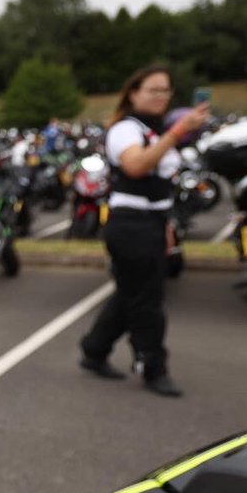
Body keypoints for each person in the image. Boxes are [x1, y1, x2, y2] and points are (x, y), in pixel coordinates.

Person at [78, 65, 209, 398]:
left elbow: (160, 186)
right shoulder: (126, 129)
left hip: (151, 221)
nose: (161, 96)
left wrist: (165, 225)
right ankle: (153, 366)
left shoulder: (154, 130)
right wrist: (177, 132)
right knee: (147, 300)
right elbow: (136, 166)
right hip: (130, 224)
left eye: (166, 90)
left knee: (132, 292)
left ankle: (94, 349)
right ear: (133, 92)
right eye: (153, 89)